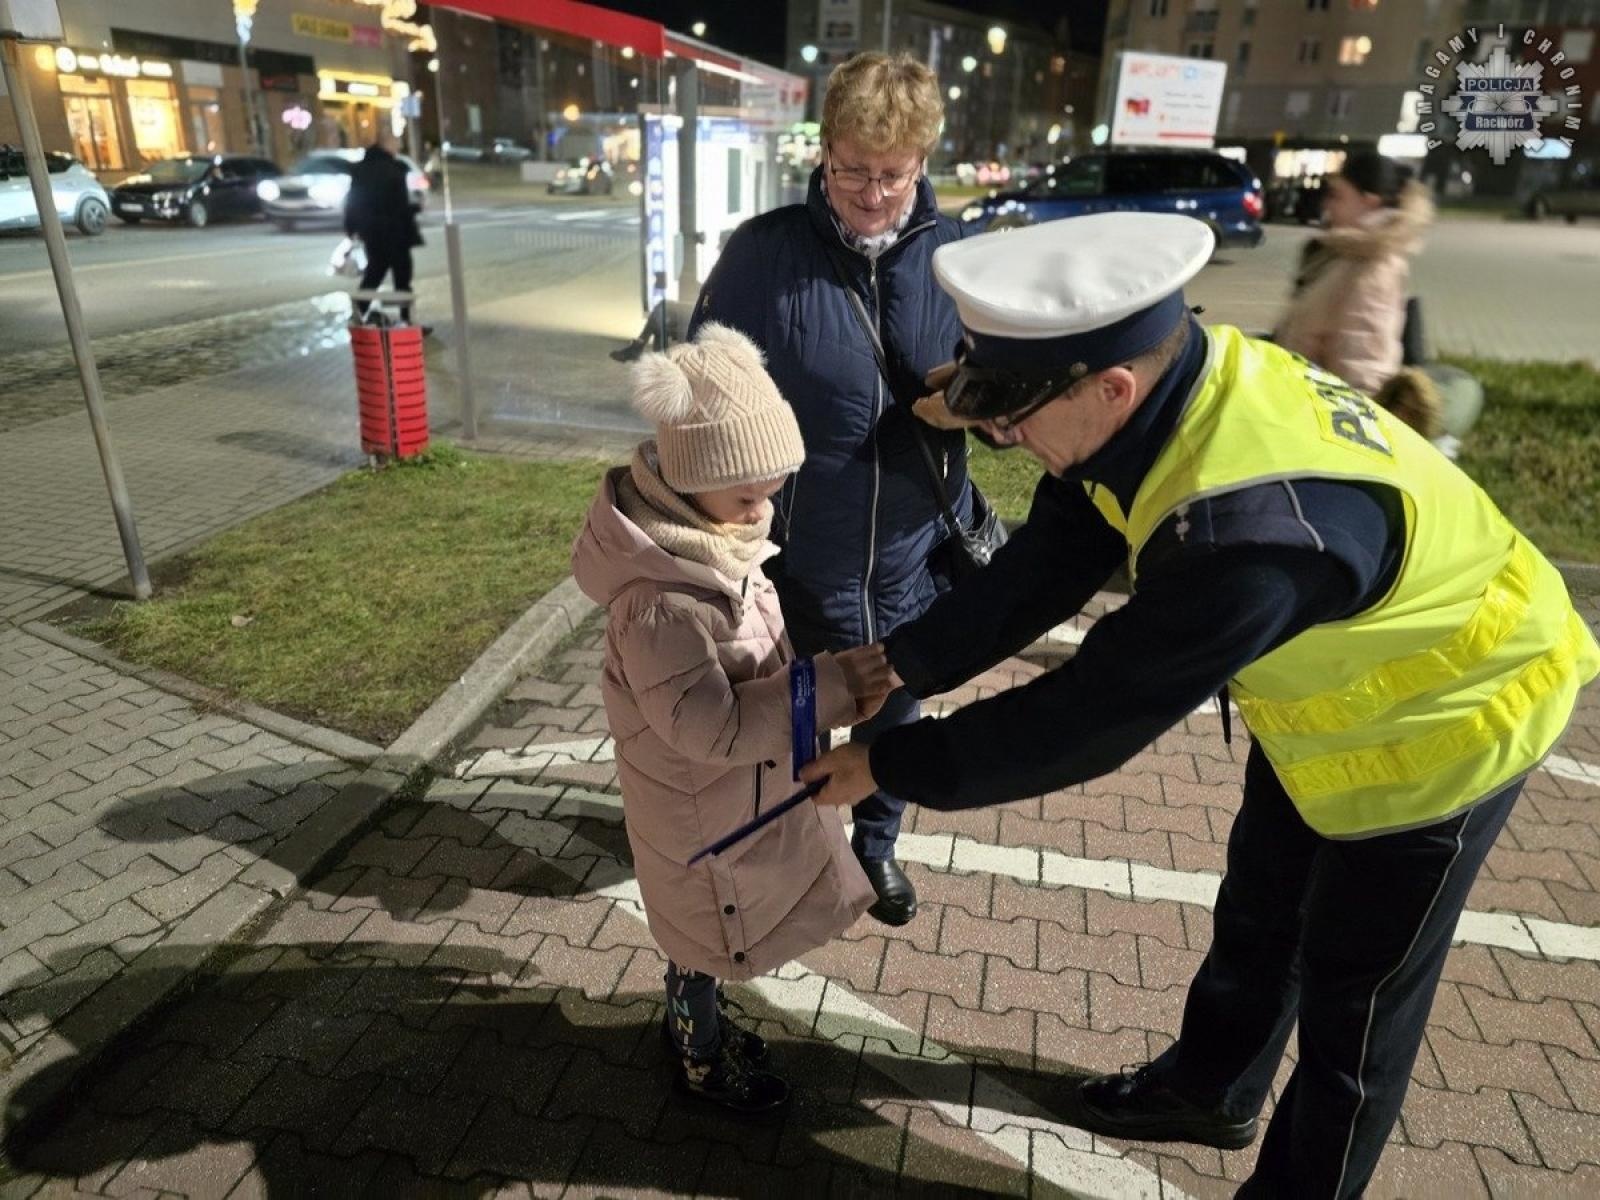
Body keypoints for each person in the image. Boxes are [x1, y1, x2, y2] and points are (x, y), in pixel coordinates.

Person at [801, 213, 1600, 1194]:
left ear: (1111, 388)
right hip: (1333, 698)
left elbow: (1086, 719)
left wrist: (887, 765)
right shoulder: (1176, 386)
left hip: (1455, 719)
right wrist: (905, 661)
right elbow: (1056, 553)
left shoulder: (1246, 539)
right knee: (1260, 903)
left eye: (1011, 412)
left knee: (1357, 1009)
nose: (999, 435)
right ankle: (1210, 1091)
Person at [570, 323, 893, 1114]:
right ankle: (700, 1055)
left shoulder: (715, 540)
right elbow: (708, 727)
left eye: (774, 485)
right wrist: (831, 689)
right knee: (701, 945)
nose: (764, 506)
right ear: (689, 479)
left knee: (706, 944)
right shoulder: (659, 601)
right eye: (747, 491)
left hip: (726, 807)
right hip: (699, 821)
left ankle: (698, 1024)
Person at [687, 51, 975, 927]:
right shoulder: (766, 254)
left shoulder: (957, 258)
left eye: (893, 174)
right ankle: (787, 857)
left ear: (923, 164)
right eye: (851, 169)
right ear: (823, 153)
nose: (872, 192)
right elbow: (705, 388)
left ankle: (876, 844)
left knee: (899, 718)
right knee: (786, 727)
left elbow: (1005, 384)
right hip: (796, 561)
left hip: (912, 559)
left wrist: (973, 404)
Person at [1275, 151, 1434, 396]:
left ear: (1369, 201)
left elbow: (1364, 369)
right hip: (1298, 399)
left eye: (1338, 196)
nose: (1327, 205)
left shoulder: (1374, 267)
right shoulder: (1346, 254)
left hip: (1319, 416)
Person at [344, 128, 424, 326]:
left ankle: (358, 313)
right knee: (402, 278)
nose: (398, 146)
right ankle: (407, 322)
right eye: (396, 142)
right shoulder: (393, 169)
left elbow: (353, 201)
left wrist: (352, 228)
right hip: (396, 233)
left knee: (374, 273)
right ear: (387, 144)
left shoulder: (362, 168)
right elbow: (398, 205)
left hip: (372, 233)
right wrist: (414, 209)